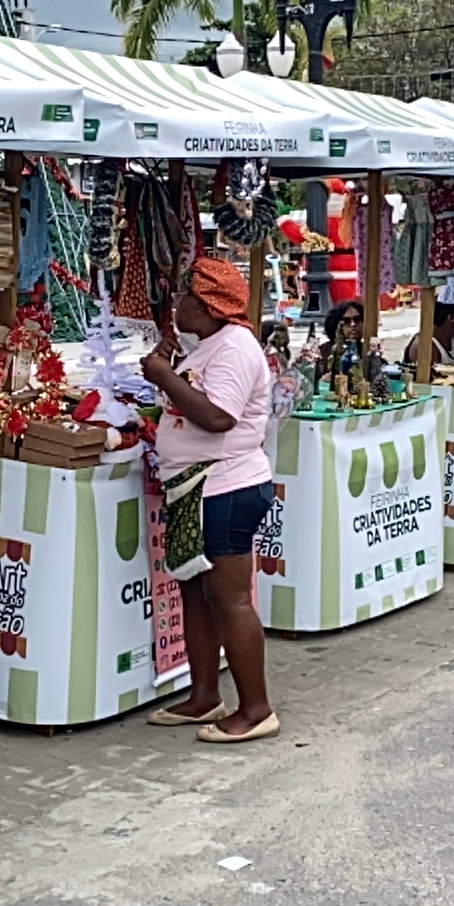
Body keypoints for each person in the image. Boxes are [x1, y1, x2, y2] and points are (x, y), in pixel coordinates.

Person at [139, 258, 278, 744]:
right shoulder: (209, 347)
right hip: (195, 487)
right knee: (194, 591)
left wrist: (162, 375)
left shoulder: (236, 348)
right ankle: (204, 695)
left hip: (226, 487)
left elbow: (218, 417)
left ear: (204, 304)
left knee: (229, 598)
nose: (176, 305)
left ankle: (256, 709)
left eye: (183, 297)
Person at [318, 300, 364, 369]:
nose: (353, 324)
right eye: (347, 321)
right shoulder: (323, 352)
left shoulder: (366, 350)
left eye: (357, 319)